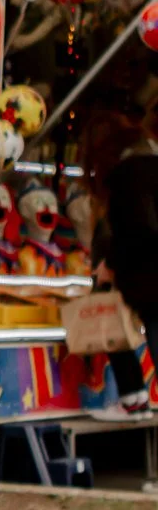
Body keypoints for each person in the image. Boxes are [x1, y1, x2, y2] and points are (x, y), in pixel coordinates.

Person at [88, 103, 158, 425]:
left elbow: (138, 227)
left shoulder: (128, 177)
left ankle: (133, 399)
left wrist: (112, 265)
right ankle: (134, 400)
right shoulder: (150, 167)